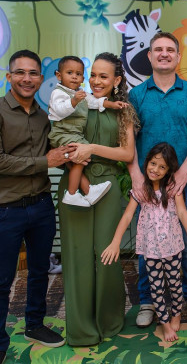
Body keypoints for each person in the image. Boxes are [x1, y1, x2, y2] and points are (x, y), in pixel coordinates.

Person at [0, 50, 68, 364]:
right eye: (20, 72)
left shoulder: (43, 116)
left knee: (40, 272)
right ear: (9, 76)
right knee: (1, 281)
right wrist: (44, 162)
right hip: (4, 210)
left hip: (41, 207)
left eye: (33, 73)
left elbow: (58, 150)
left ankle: (35, 325)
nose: (27, 79)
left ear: (41, 78)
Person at [128, 32, 187, 326]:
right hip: (147, 186)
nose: (164, 54)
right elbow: (128, 140)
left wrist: (185, 171)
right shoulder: (136, 95)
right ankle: (148, 301)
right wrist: (136, 175)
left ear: (178, 56)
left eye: (170, 50)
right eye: (158, 49)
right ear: (149, 56)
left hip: (181, 185)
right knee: (146, 244)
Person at [57, 52, 138, 346]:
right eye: (93, 75)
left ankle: (109, 321)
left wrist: (91, 148)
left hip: (108, 185)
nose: (95, 81)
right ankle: (81, 329)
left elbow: (127, 153)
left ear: (116, 80)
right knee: (77, 256)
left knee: (107, 255)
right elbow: (58, 136)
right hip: (74, 184)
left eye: (103, 76)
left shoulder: (123, 111)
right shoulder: (75, 102)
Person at [101, 142, 187, 342]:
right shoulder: (140, 190)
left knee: (174, 284)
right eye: (153, 163)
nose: (155, 169)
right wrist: (115, 242)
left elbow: (182, 212)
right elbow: (127, 216)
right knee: (156, 287)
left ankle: (176, 315)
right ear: (147, 162)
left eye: (162, 166)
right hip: (150, 249)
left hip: (173, 247)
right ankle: (165, 323)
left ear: (169, 170)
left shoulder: (173, 188)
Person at [48, 55, 128, 207]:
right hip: (64, 133)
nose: (74, 77)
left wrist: (112, 105)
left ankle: (87, 190)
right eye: (70, 73)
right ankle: (72, 193)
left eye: (78, 74)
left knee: (79, 158)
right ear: (59, 75)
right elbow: (59, 110)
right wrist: (74, 101)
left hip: (106, 177)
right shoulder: (59, 93)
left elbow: (95, 102)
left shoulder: (81, 94)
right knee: (81, 155)